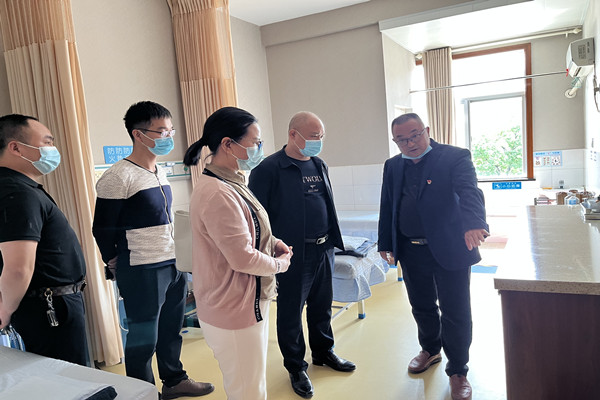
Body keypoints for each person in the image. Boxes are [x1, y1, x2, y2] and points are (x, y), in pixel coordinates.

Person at [92, 101, 213, 399]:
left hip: (172, 263)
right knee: (144, 338)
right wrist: (114, 261)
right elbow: (102, 228)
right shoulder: (118, 176)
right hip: (143, 268)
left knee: (172, 330)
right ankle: (142, 392)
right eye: (161, 131)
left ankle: (174, 380)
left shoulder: (158, 171)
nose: (168, 136)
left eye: (170, 130)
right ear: (138, 134)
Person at [183, 106, 293, 400]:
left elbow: (245, 230)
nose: (260, 148)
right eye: (255, 142)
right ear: (228, 144)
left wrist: (272, 242)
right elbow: (242, 257)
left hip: (241, 302)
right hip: (233, 308)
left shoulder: (231, 182)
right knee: (248, 390)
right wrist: (280, 264)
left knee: (250, 384)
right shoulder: (218, 192)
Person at [377, 113, 489, 400]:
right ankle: (430, 349)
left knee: (455, 311)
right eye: (402, 139)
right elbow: (388, 204)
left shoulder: (454, 157)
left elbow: (469, 191)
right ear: (395, 140)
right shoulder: (393, 165)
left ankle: (458, 371)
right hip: (410, 249)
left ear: (426, 130)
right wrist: (386, 242)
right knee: (421, 305)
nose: (410, 143)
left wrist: (474, 223)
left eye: (415, 135)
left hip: (450, 247)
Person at [249, 111, 355, 399]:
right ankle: (296, 366)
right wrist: (271, 251)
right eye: (313, 136)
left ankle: (323, 352)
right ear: (293, 134)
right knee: (291, 312)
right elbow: (256, 217)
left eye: (321, 136)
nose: (318, 141)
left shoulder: (319, 164)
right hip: (293, 253)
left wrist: (332, 242)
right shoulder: (269, 169)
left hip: (324, 248)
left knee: (322, 305)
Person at [0, 114, 87, 365]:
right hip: (47, 308)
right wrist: (5, 311)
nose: (52, 149)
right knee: (66, 378)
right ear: (16, 147)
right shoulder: (15, 192)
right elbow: (18, 268)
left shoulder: (22, 188)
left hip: (53, 304)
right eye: (47, 142)